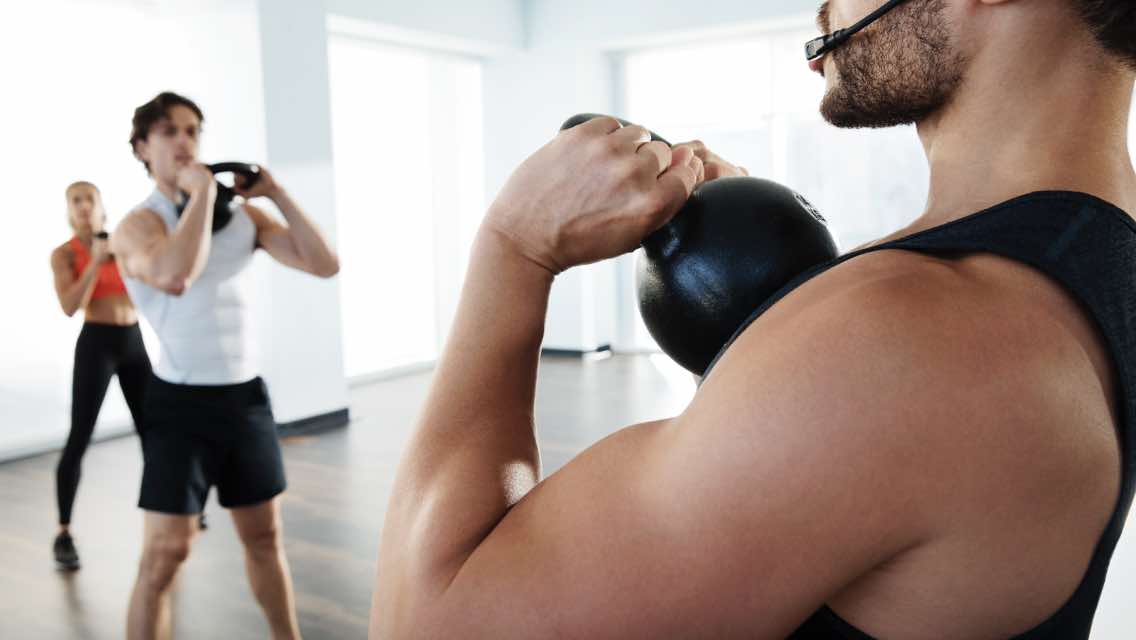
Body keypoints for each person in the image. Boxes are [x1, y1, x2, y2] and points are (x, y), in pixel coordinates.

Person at [370, 0, 1136, 638]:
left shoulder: (912, 332)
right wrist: (767, 318)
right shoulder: (1092, 258)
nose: (824, 11)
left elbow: (431, 619)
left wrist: (513, 247)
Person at [110, 91, 339, 640]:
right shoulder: (136, 227)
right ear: (143, 148)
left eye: (193, 131)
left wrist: (277, 194)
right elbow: (173, 275)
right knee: (166, 554)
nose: (185, 142)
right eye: (169, 132)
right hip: (180, 404)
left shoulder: (243, 220)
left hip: (245, 400)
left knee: (264, 539)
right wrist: (200, 196)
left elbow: (324, 264)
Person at [49, 181, 151, 571]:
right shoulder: (64, 254)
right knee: (80, 436)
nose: (84, 206)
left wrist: (117, 255)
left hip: (134, 341)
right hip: (97, 344)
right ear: (69, 209)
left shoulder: (123, 244)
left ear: (100, 205)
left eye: (89, 198)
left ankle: (174, 511)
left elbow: (149, 286)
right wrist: (94, 260)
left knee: (153, 431)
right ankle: (63, 531)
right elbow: (69, 305)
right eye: (76, 200)